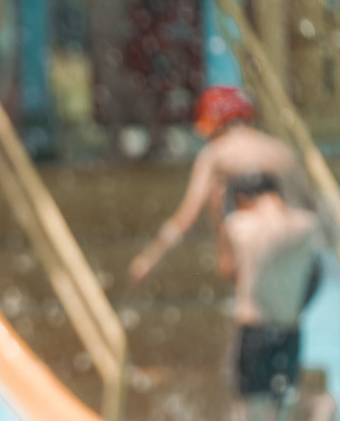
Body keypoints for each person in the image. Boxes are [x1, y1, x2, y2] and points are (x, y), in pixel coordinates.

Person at [128, 85, 314, 284]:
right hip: (298, 239)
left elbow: (187, 217)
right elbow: (308, 203)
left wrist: (150, 258)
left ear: (211, 124)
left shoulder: (216, 153)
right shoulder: (280, 150)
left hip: (253, 244)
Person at [217, 173, 330, 421]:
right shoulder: (307, 225)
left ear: (243, 200)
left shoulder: (238, 225)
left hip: (253, 330)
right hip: (291, 332)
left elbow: (228, 269)